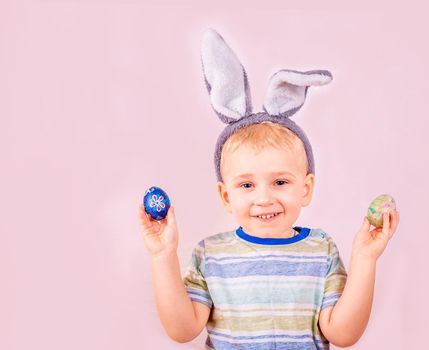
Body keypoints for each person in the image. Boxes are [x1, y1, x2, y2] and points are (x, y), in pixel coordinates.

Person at [138, 29, 400, 349]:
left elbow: (343, 335)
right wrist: (163, 256)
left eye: (280, 182)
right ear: (226, 196)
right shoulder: (211, 256)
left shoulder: (321, 250)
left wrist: (365, 258)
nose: (264, 198)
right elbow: (182, 330)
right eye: (247, 184)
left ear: (306, 188)